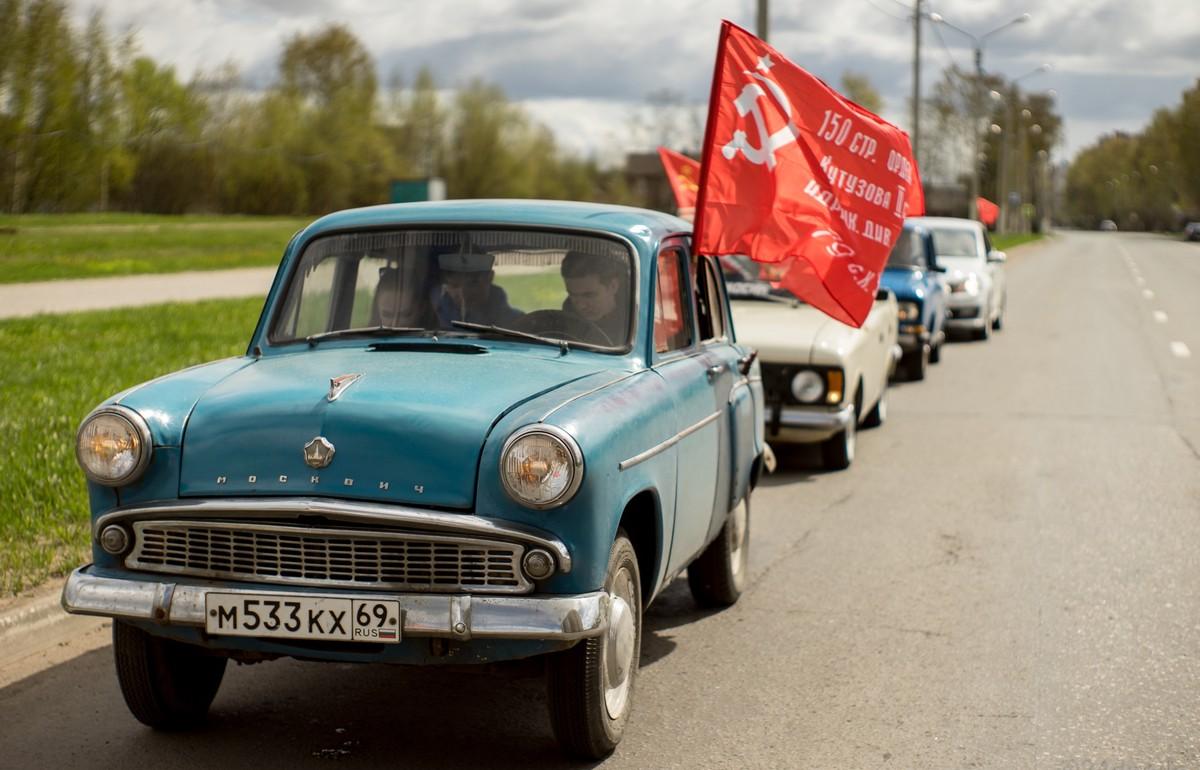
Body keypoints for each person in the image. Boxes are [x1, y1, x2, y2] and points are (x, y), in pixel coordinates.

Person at [433, 252, 522, 327]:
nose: (463, 293)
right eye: (454, 286)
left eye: (473, 283)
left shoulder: (516, 324)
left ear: (489, 277)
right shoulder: (431, 322)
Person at [560, 250, 628, 344]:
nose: (581, 306)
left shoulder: (634, 327)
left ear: (613, 286)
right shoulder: (563, 323)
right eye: (573, 295)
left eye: (589, 295)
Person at [372, 265, 437, 328]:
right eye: (387, 315)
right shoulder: (365, 336)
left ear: (422, 308)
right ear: (377, 310)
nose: (395, 324)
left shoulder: (439, 337)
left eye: (405, 315)